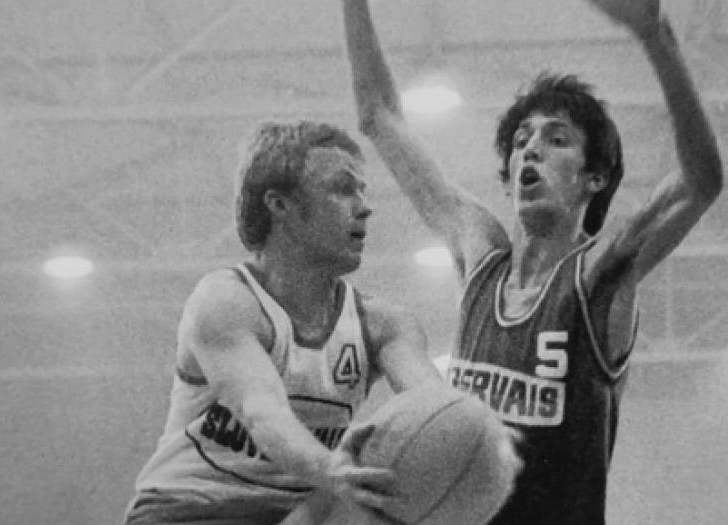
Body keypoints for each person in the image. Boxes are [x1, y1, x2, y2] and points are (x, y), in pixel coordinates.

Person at [341, 0, 723, 524]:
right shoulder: (481, 255)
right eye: (521, 141)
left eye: (556, 139)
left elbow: (700, 183)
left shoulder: (596, 275)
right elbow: (378, 116)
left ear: (594, 178)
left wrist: (657, 38)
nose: (531, 149)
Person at [122, 120, 444, 525]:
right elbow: (262, 413)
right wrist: (332, 469)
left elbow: (438, 409)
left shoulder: (384, 325)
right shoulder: (227, 300)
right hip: (190, 508)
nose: (364, 207)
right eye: (343, 189)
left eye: (362, 191)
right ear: (279, 204)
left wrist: (475, 443)